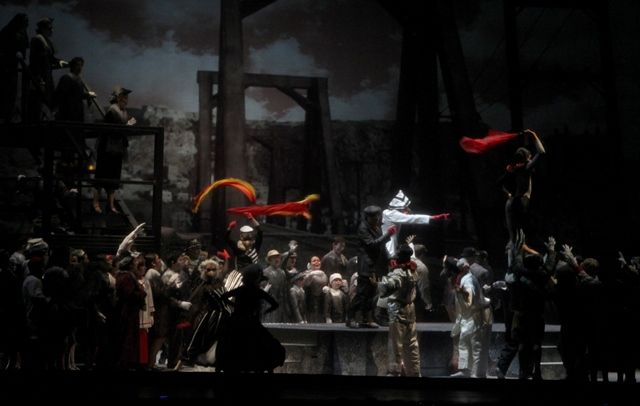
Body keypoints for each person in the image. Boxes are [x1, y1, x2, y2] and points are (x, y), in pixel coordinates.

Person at [347, 205, 395, 328]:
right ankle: (350, 317)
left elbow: (382, 246)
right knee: (362, 293)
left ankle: (366, 318)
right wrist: (387, 235)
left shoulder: (377, 228)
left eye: (377, 217)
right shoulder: (363, 228)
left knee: (371, 294)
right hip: (366, 266)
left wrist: (389, 258)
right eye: (374, 218)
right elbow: (372, 245)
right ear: (368, 217)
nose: (377, 220)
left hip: (375, 265)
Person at [378, 244, 421, 376]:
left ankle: (394, 371)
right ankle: (414, 372)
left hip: (398, 310)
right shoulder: (413, 270)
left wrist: (379, 283)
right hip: (410, 309)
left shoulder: (399, 272)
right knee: (412, 344)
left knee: (395, 344)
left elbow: (389, 286)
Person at [499, 129, 545, 250]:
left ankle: (512, 251)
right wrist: (534, 135)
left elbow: (500, 184)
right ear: (527, 158)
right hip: (521, 201)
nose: (531, 159)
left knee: (513, 236)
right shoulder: (526, 168)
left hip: (511, 202)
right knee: (523, 235)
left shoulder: (513, 169)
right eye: (530, 157)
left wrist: (508, 194)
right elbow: (541, 152)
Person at [92, 85, 136, 214]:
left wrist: (127, 127)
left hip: (116, 150)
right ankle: (96, 203)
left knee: (113, 178)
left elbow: (120, 131)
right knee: (101, 176)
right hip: (107, 149)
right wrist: (127, 126)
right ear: (118, 98)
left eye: (126, 98)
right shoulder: (112, 111)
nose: (126, 100)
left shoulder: (123, 112)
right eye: (123, 97)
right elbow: (112, 131)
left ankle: (110, 205)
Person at [28, 17, 68, 122]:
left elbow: (49, 57)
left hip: (46, 74)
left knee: (48, 98)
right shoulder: (37, 39)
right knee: (40, 100)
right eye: (49, 28)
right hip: (40, 76)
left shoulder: (46, 41)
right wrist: (38, 77)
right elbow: (37, 60)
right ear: (43, 28)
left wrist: (58, 61)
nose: (52, 30)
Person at [0, 13, 29, 123]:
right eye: (25, 21)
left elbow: (24, 47)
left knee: (13, 92)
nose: (27, 24)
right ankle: (4, 116)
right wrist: (13, 53)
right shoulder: (8, 31)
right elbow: (3, 48)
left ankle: (10, 115)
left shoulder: (22, 33)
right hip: (6, 67)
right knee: (6, 91)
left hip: (15, 67)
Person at [54, 56, 96, 121]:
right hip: (68, 114)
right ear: (72, 66)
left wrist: (87, 95)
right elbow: (61, 95)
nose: (80, 67)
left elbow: (78, 94)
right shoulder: (66, 78)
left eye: (81, 65)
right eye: (77, 65)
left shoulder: (78, 80)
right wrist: (87, 95)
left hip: (77, 113)